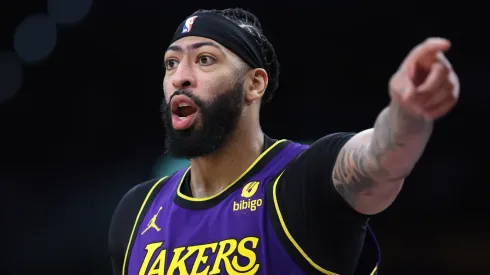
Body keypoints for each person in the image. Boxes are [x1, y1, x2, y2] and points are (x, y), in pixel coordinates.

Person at [108, 8, 460, 275]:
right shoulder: (136, 212)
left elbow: (379, 160)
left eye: (204, 59)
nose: (180, 77)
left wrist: (407, 114)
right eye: (171, 64)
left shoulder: (302, 180)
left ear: (254, 84)